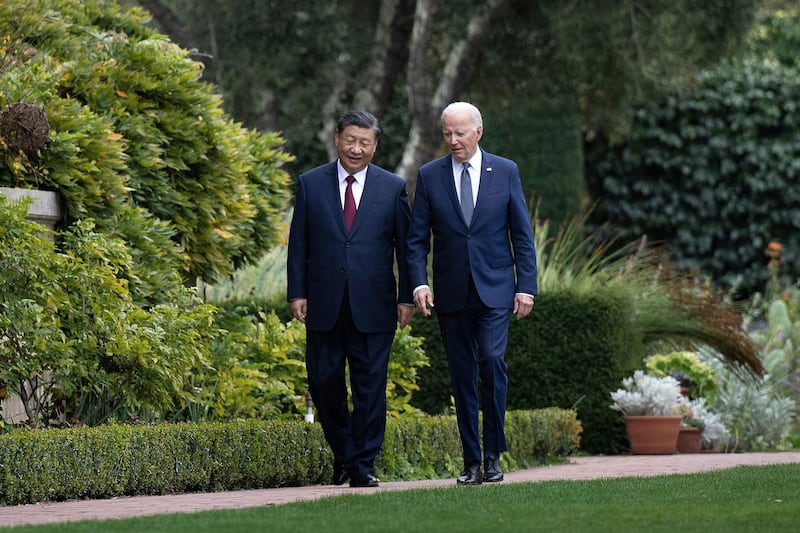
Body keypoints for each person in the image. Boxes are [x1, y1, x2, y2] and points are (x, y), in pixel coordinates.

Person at [407, 101, 538, 485]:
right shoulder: (430, 176)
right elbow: (417, 240)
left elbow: (522, 235)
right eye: (447, 133)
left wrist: (526, 286)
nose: (453, 140)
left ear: (478, 132)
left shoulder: (506, 170)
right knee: (462, 375)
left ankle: (494, 455)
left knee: (493, 362)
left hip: (496, 289)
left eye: (460, 133)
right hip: (451, 293)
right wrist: (419, 281)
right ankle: (471, 462)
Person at [287, 110, 414, 488]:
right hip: (324, 304)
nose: (356, 149)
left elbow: (406, 250)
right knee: (324, 383)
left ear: (375, 145)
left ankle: (362, 465)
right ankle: (346, 453)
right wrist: (297, 291)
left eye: (365, 142)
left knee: (371, 387)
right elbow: (299, 245)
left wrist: (406, 296)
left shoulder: (392, 188)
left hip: (375, 305)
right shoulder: (311, 184)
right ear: (337, 138)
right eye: (350, 140)